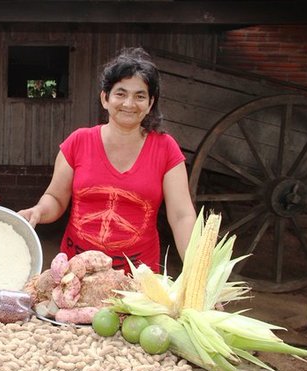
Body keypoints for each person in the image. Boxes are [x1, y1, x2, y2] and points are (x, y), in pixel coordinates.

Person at [18, 47, 196, 273]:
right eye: (120, 93)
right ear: (105, 98)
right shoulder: (78, 141)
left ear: (150, 104)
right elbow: (56, 198)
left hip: (139, 283)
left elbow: (182, 216)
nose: (129, 104)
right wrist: (39, 211)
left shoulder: (165, 148)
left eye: (140, 96)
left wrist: (199, 274)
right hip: (75, 275)